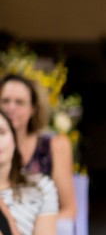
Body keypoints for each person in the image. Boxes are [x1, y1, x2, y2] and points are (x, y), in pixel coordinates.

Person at [0, 73, 76, 220]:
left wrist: (37, 234)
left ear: (33, 109)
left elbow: (68, 209)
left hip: (41, 233)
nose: (11, 108)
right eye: (5, 101)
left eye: (20, 102)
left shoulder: (54, 146)